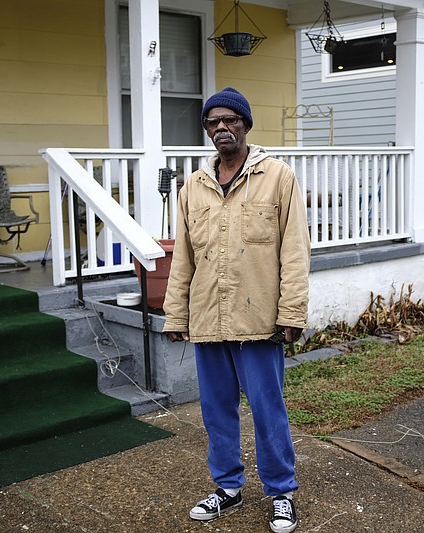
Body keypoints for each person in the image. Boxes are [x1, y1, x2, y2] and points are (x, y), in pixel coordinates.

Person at [162, 87, 310, 533]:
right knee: (216, 411)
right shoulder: (194, 186)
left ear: (245, 124)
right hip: (208, 319)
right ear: (207, 130)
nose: (222, 128)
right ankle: (227, 487)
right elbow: (183, 256)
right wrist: (176, 314)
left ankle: (281, 491)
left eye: (230, 120)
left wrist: (293, 313)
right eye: (213, 122)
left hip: (259, 320)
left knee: (268, 409)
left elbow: (295, 250)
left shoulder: (277, 177)